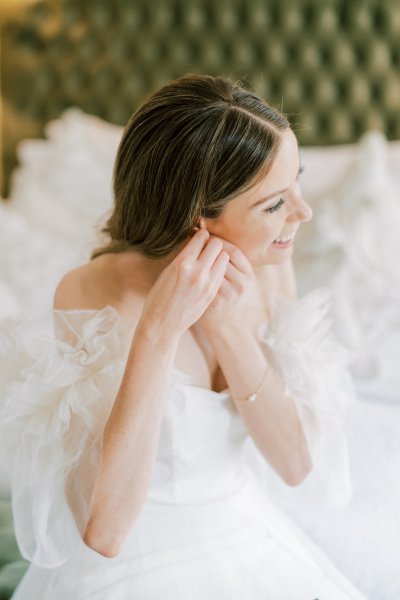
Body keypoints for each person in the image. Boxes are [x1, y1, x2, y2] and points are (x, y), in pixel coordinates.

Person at [0, 74, 367, 599]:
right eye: (273, 205)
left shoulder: (270, 270)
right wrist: (159, 329)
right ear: (197, 219)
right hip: (135, 563)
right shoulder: (93, 292)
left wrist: (226, 328)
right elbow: (103, 531)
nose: (303, 214)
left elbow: (296, 465)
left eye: (297, 184)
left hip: (243, 532)